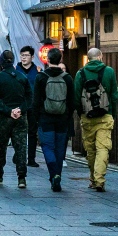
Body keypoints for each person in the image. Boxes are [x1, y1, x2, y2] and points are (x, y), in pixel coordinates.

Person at [74, 47, 118, 192]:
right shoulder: (109, 71)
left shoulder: (80, 73)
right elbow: (113, 96)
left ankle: (93, 178)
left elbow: (76, 97)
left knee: (91, 150)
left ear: (88, 58)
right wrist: (113, 113)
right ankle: (99, 180)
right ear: (100, 57)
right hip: (105, 116)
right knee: (103, 148)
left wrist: (81, 114)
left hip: (87, 117)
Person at [31, 47, 73, 191]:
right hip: (62, 119)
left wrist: (35, 119)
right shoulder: (67, 78)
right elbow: (72, 101)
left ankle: (54, 174)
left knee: (48, 147)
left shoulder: (41, 77)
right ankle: (57, 176)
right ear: (60, 60)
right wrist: (68, 115)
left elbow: (35, 101)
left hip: (45, 118)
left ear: (47, 60)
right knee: (60, 149)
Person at [0, 50, 31, 189]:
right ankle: (21, 178)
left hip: (3, 118)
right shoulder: (22, 77)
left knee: (1, 147)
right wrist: (20, 110)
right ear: (12, 61)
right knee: (21, 147)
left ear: (1, 62)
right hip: (20, 117)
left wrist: (8, 111)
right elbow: (30, 98)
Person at [14, 45, 44, 168]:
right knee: (17, 133)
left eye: (26, 55)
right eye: (22, 55)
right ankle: (18, 156)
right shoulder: (15, 70)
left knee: (32, 133)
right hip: (18, 106)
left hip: (32, 106)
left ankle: (31, 158)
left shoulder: (38, 71)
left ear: (32, 57)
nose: (24, 58)